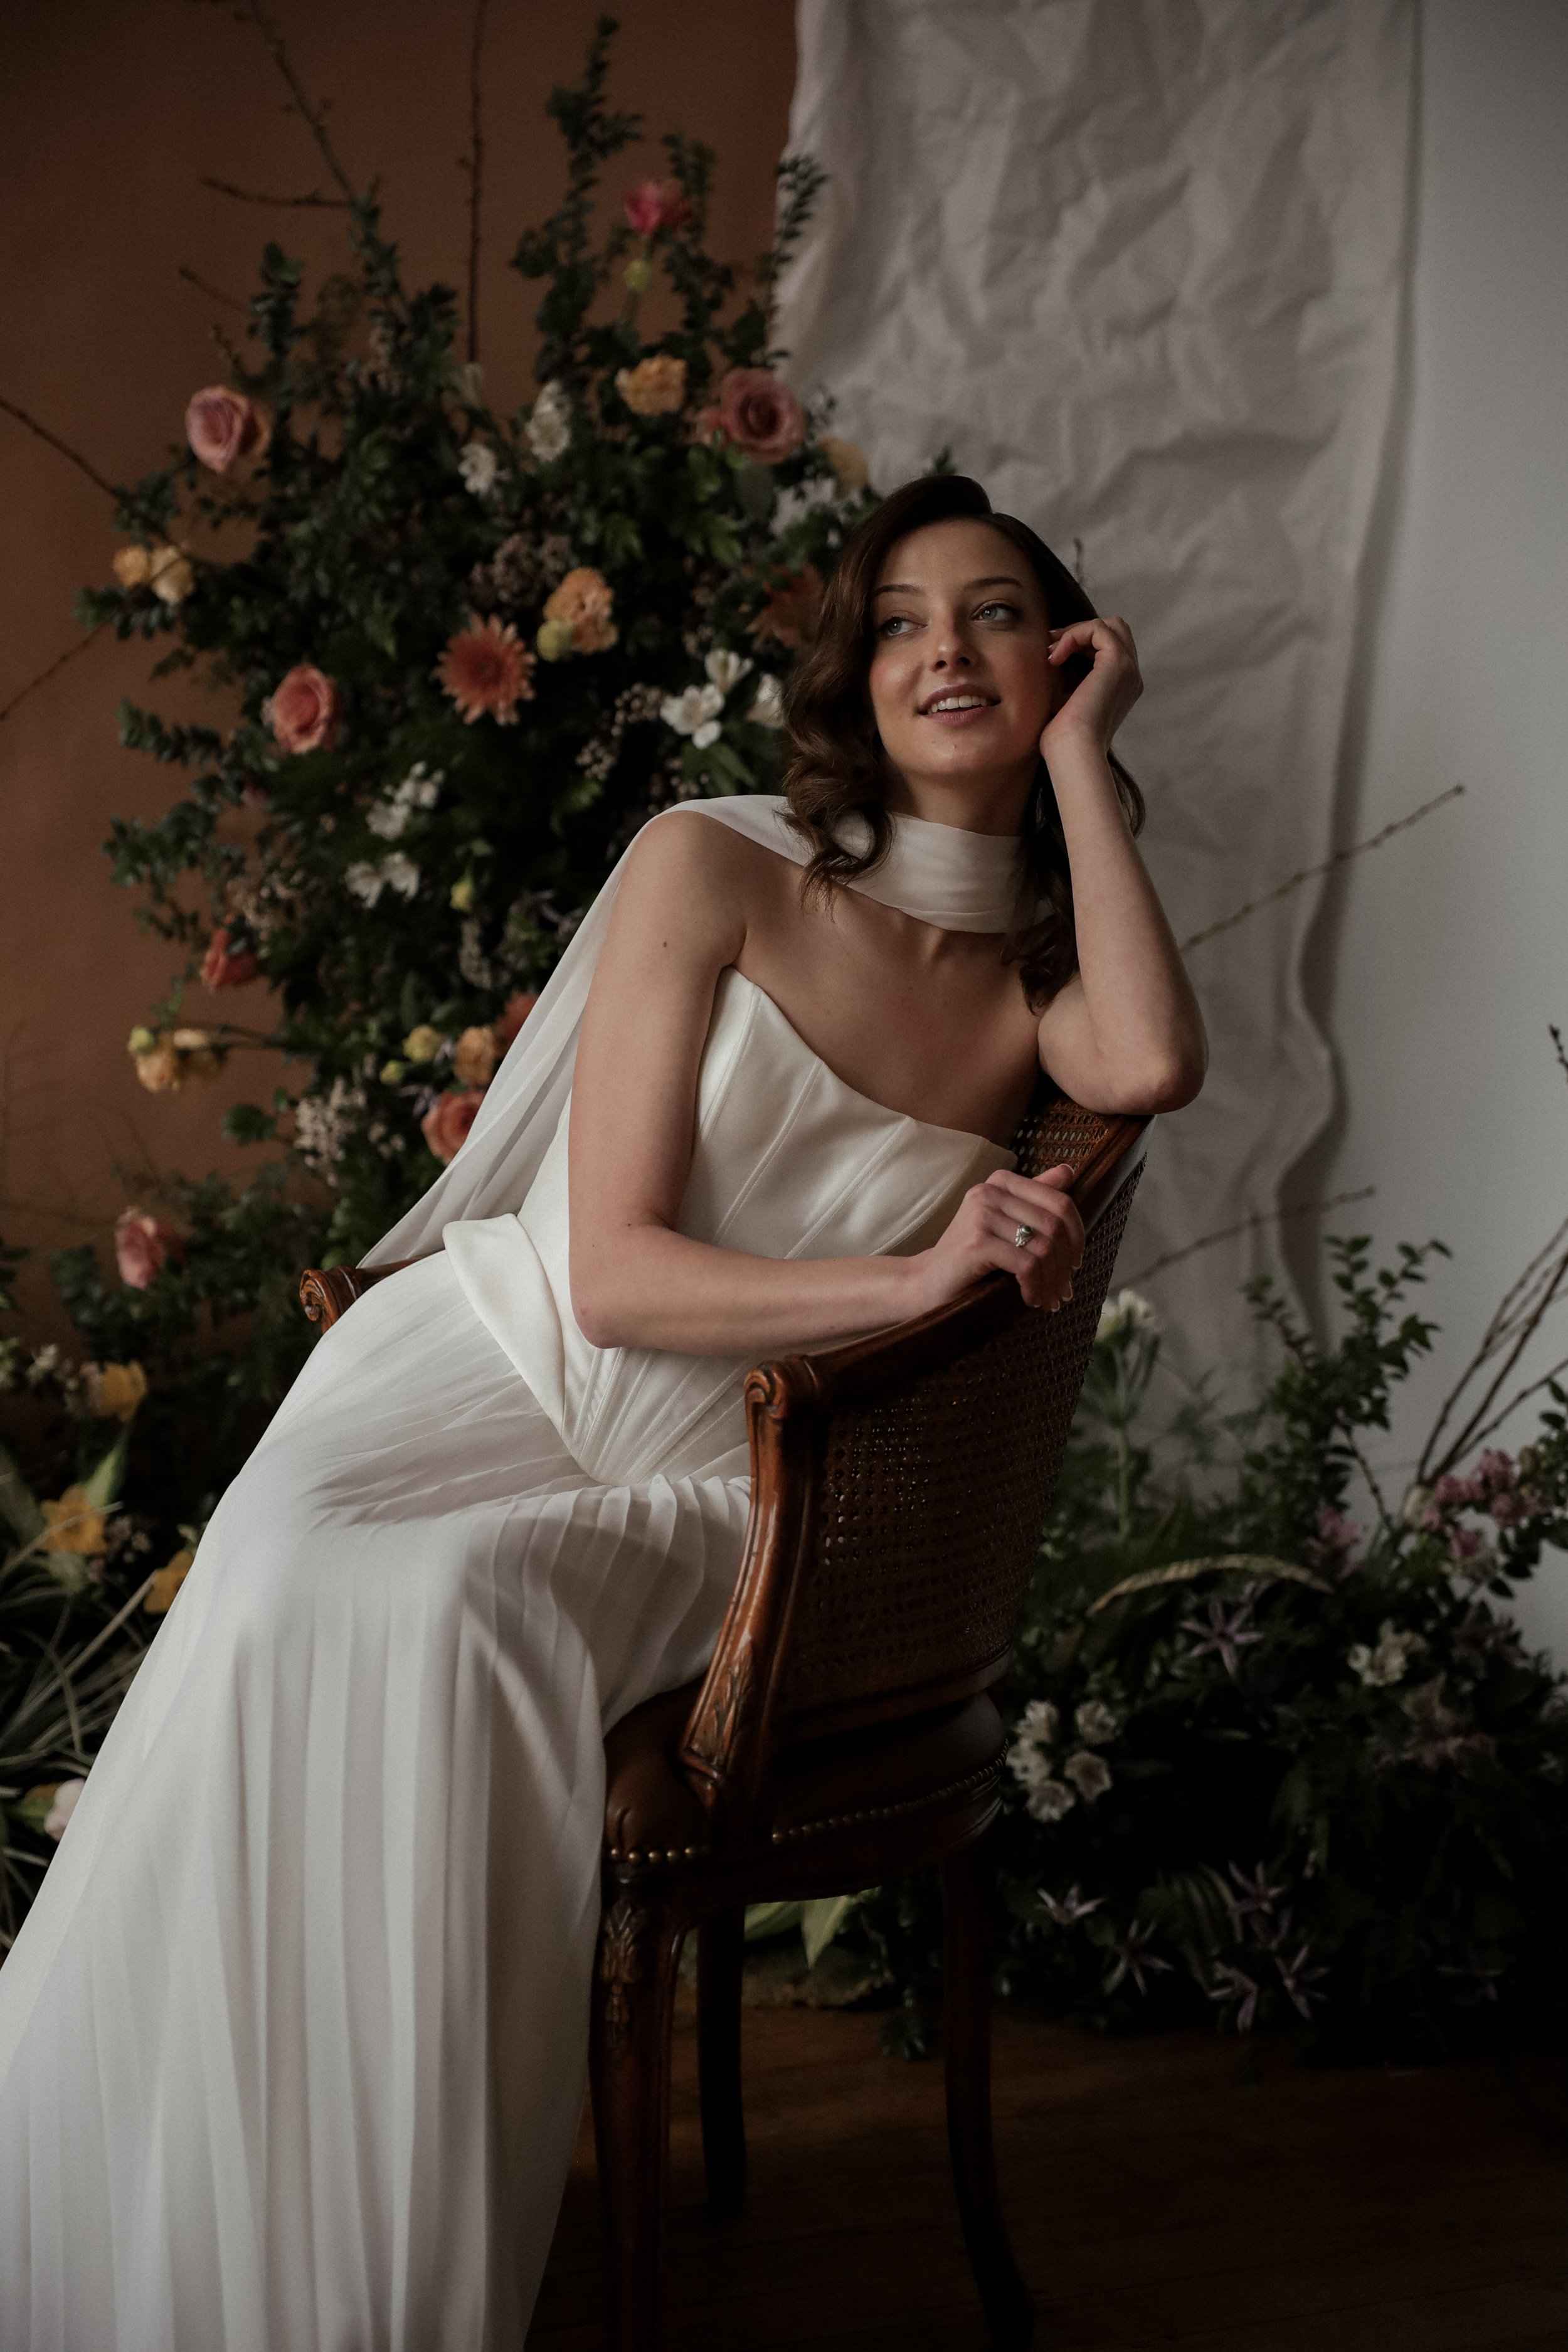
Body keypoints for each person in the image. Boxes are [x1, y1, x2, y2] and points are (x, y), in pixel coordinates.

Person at [0, 473, 1205, 2347]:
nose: (940, 651)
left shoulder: (1030, 992)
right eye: (895, 621)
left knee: (438, 1614)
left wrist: (1084, 759)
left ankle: (356, 2283)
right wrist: (909, 1276)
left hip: (725, 1468)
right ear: (850, 679)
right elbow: (621, 1270)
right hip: (498, 1359)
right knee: (294, 1566)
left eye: (990, 615)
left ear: (1057, 657)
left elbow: (1152, 1061)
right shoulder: (708, 866)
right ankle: (169, 2229)